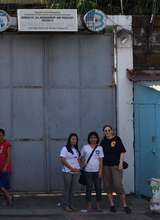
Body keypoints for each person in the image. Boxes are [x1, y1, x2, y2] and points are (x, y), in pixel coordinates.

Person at [100, 125, 131, 214]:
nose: (107, 132)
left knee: (118, 185)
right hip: (106, 167)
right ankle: (112, 205)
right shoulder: (103, 141)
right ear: (104, 132)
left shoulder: (117, 139)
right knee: (107, 185)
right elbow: (101, 156)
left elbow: (122, 151)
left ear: (112, 131)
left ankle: (125, 205)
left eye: (109, 130)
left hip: (115, 166)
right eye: (105, 130)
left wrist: (121, 163)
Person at [81, 132, 104, 211]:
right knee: (89, 188)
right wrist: (82, 165)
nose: (93, 139)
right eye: (91, 137)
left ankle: (98, 205)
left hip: (97, 171)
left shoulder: (100, 148)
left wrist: (101, 171)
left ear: (97, 139)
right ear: (89, 139)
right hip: (88, 171)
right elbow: (81, 157)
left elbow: (101, 161)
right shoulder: (85, 147)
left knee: (98, 188)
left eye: (94, 137)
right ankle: (89, 205)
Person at [60, 133, 80, 212]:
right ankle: (66, 205)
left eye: (75, 139)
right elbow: (62, 160)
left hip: (76, 172)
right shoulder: (65, 149)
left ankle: (71, 205)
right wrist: (71, 168)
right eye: (72, 139)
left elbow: (78, 160)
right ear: (69, 140)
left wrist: (79, 168)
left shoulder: (76, 150)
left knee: (73, 190)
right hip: (67, 172)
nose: (74, 140)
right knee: (67, 189)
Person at [0, 128, 13, 206]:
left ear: (3, 135)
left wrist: (5, 166)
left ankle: (9, 198)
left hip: (5, 168)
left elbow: (9, 157)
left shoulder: (7, 144)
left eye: (1, 135)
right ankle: (8, 199)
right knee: (3, 186)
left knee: (2, 186)